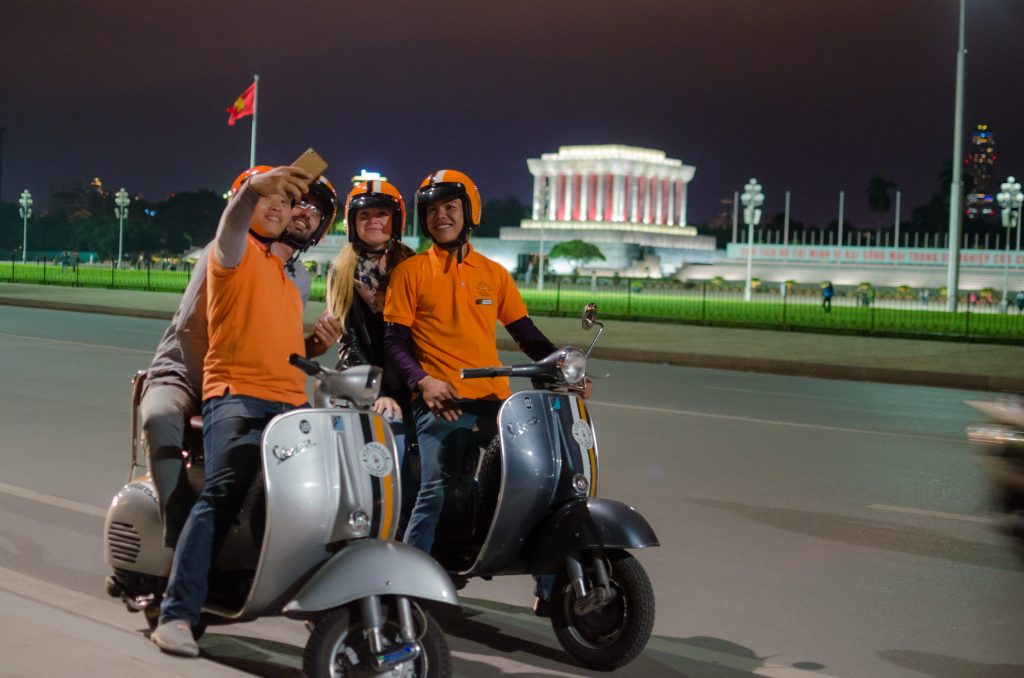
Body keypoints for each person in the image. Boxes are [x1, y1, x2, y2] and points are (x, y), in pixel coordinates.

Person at [383, 168, 591, 614]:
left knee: (544, 477)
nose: (441, 217)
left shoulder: (492, 274)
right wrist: (423, 381)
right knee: (437, 487)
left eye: (450, 209)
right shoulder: (411, 272)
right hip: (442, 400)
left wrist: (562, 368)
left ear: (469, 213)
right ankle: (406, 582)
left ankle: (550, 581)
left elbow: (526, 334)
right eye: (433, 211)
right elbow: (393, 343)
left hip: (497, 402)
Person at [151, 164, 337, 657]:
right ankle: (177, 613)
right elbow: (233, 219)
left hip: (291, 401)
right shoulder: (230, 253)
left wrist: (313, 346)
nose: (278, 207)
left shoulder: (290, 272)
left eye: (285, 201)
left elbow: (276, 343)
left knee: (325, 495)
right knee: (224, 489)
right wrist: (256, 187)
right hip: (235, 393)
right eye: (266, 200)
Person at [326, 179, 415, 446]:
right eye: (364, 214)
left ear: (396, 219)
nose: (373, 221)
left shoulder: (414, 265)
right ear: (352, 221)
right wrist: (377, 391)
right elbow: (348, 340)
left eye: (382, 214)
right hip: (362, 378)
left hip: (409, 379)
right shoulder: (342, 269)